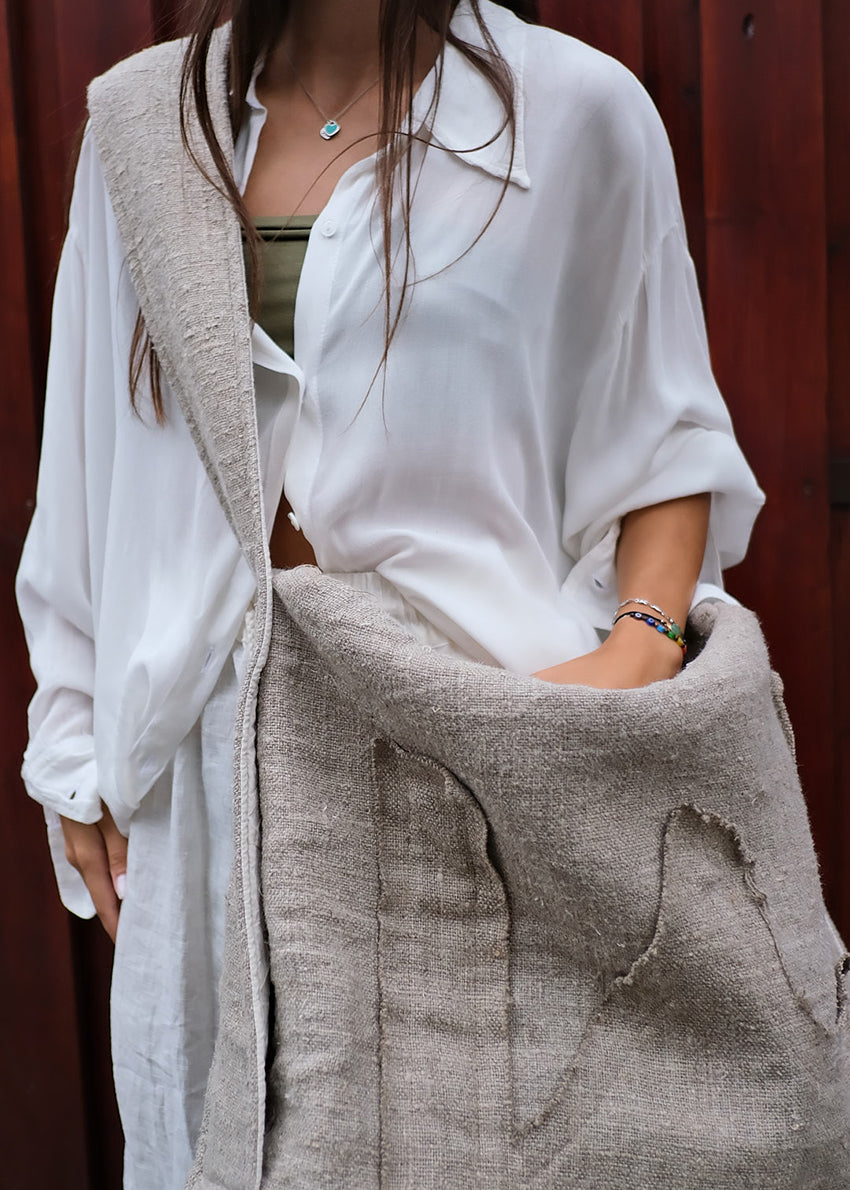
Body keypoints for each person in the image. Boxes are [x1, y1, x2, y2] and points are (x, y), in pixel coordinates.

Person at [17, 0, 769, 1186]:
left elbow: (665, 437)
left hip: (478, 768)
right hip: (208, 788)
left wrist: (634, 653)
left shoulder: (576, 113)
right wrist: (71, 741)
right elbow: (88, 470)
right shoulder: (146, 127)